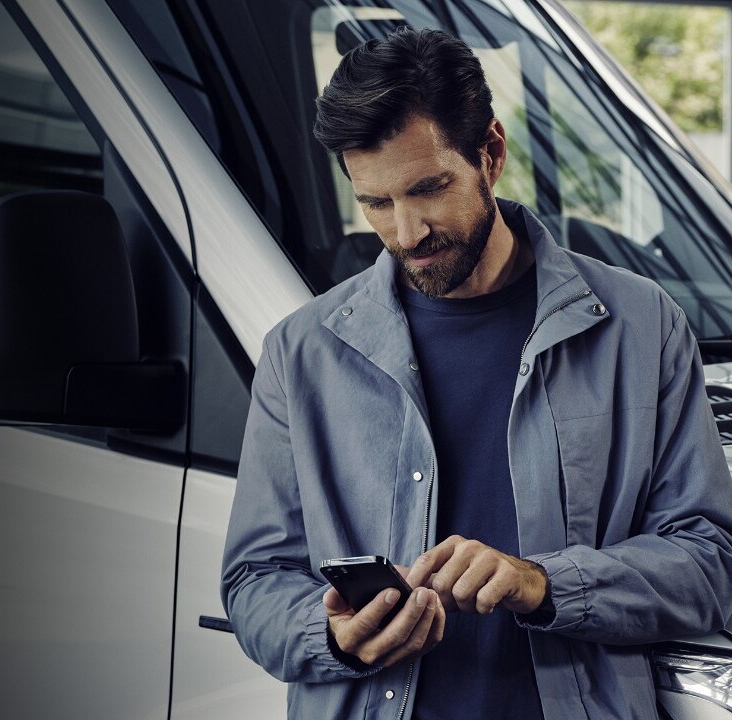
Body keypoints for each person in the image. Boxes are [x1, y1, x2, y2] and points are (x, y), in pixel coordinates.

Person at [220, 25, 732, 720]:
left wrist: (543, 582)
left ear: (490, 152)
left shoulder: (642, 325)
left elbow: (710, 561)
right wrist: (332, 636)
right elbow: (254, 581)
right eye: (375, 203)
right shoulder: (301, 353)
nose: (405, 233)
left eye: (428, 190)